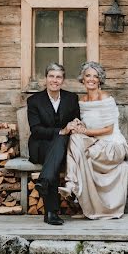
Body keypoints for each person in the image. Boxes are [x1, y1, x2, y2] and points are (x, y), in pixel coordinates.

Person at [62, 61, 128, 219]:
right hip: (96, 144)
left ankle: (72, 184)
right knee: (75, 137)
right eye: (88, 75)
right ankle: (71, 184)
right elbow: (89, 126)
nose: (91, 79)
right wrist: (79, 125)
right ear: (82, 79)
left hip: (113, 147)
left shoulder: (105, 97)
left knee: (78, 143)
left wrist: (85, 131)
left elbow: (108, 129)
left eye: (95, 76)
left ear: (100, 80)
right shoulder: (83, 101)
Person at [26, 63, 81, 226]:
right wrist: (61, 131)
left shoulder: (71, 99)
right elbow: (36, 130)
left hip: (63, 149)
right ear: (46, 78)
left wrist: (74, 125)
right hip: (40, 146)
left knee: (61, 143)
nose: (54, 80)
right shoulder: (34, 101)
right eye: (51, 76)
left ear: (63, 80)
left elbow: (77, 120)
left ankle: (45, 183)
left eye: (58, 77)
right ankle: (51, 211)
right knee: (59, 141)